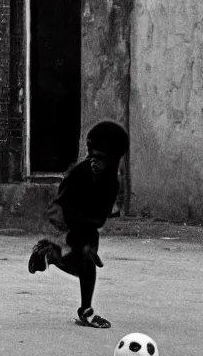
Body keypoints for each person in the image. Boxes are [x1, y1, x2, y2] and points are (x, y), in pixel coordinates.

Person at [27, 120, 130, 329]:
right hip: (62, 218)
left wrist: (86, 240)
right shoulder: (79, 174)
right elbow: (60, 209)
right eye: (91, 156)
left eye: (99, 158)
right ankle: (85, 309)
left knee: (84, 262)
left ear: (113, 159)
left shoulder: (112, 183)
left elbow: (99, 218)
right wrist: (71, 238)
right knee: (84, 260)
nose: (94, 162)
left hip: (86, 223)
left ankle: (52, 257)